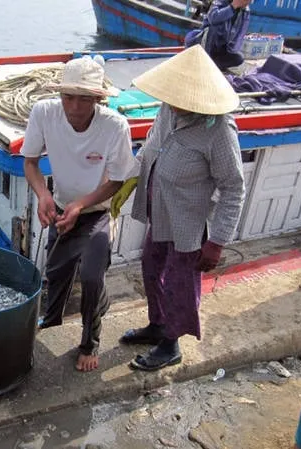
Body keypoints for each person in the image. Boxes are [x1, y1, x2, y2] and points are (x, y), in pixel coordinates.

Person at [114, 45, 245, 371]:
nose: (172, 100)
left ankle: (171, 344)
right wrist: (123, 181)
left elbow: (233, 187)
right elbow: (150, 148)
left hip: (188, 224)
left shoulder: (219, 131)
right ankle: (158, 324)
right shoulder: (167, 111)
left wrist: (216, 242)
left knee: (179, 282)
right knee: (150, 268)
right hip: (159, 213)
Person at [21, 57, 135, 373]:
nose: (73, 106)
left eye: (84, 98)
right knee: (55, 272)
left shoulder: (114, 126)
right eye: (67, 96)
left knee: (92, 276)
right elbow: (30, 162)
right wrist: (43, 195)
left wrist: (82, 205)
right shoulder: (44, 112)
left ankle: (89, 342)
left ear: (98, 98)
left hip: (96, 210)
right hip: (59, 205)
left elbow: (117, 180)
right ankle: (52, 320)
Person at [185, 0, 251, 71]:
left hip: (221, 49)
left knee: (239, 58)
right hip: (204, 44)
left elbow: (239, 36)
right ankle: (206, 61)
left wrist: (230, 51)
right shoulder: (221, 1)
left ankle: (213, 65)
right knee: (214, 28)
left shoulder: (245, 11)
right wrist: (232, 7)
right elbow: (213, 18)